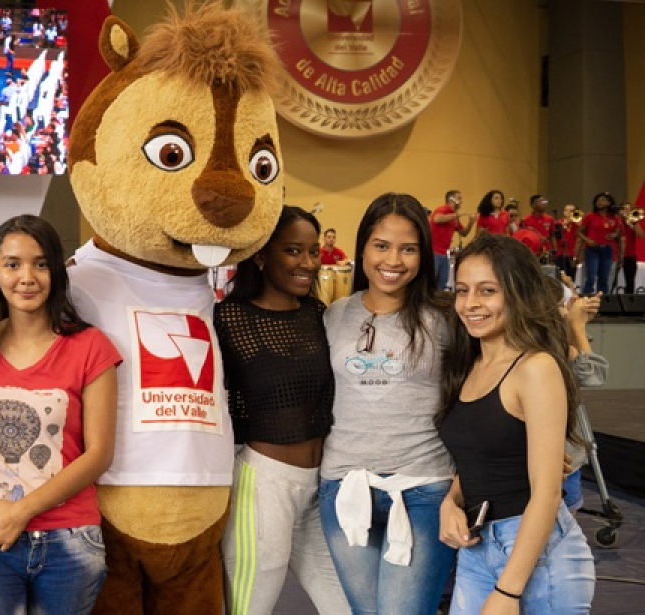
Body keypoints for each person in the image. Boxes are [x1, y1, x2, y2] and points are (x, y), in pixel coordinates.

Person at [0, 215, 121, 614]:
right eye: (12, 264)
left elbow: (99, 454)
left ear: (56, 272)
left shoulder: (90, 346)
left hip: (69, 538)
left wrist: (22, 512)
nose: (26, 277)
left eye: (40, 264)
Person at [437, 232, 595, 614]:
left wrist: (508, 592)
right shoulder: (468, 364)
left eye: (487, 291)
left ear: (517, 293)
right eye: (462, 290)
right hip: (478, 546)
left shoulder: (536, 368)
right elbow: (480, 460)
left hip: (539, 554)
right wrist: (451, 502)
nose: (470, 303)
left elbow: (547, 493)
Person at [319, 193, 456, 614]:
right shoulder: (332, 315)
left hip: (424, 489)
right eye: (381, 245)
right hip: (343, 487)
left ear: (423, 255)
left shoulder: (446, 318)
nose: (393, 260)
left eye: (408, 248)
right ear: (362, 248)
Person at [214, 206, 347, 614]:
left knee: (346, 606)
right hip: (263, 485)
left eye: (313, 251)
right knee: (249, 608)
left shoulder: (319, 315)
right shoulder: (229, 318)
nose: (307, 263)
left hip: (319, 488)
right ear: (261, 255)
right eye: (293, 251)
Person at [545, 274, 605, 513]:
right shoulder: (548, 350)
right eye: (561, 306)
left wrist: (576, 325)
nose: (565, 311)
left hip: (565, 456)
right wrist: (578, 328)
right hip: (560, 457)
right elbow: (592, 376)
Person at [578, 191, 623, 296]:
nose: (599, 202)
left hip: (607, 249)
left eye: (603, 200)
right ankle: (586, 299)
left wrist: (614, 235)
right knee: (591, 277)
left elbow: (618, 234)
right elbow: (579, 232)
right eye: (598, 200)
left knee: (604, 278)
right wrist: (588, 240)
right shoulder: (590, 216)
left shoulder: (614, 218)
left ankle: (602, 300)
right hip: (592, 249)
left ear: (609, 203)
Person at [430, 190, 477, 290]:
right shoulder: (442, 209)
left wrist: (471, 223)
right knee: (431, 281)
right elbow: (437, 219)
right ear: (451, 199)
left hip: (444, 254)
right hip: (433, 252)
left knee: (442, 282)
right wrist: (456, 215)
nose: (461, 201)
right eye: (459, 198)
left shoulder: (453, 217)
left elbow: (463, 233)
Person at [618, 201, 644, 293]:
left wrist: (632, 223)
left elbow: (641, 235)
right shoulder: (616, 221)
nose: (626, 212)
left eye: (629, 210)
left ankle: (629, 299)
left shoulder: (633, 223)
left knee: (630, 281)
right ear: (620, 211)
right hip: (615, 255)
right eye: (624, 209)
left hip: (630, 256)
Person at [555, 204, 582, 280]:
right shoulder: (558, 223)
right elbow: (556, 236)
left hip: (572, 254)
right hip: (560, 253)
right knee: (560, 276)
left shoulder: (577, 224)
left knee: (572, 276)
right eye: (567, 211)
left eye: (572, 211)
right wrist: (565, 224)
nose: (569, 213)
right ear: (564, 212)